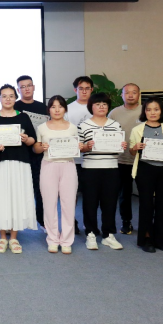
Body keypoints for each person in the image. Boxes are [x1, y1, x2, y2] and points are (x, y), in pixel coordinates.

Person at [0, 85, 38, 254]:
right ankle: (2, 236)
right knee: (0, 198)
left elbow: (33, 140)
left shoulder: (23, 117)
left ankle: (14, 237)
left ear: (15, 98)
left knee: (17, 197)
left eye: (11, 96)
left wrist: (26, 139)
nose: (7, 99)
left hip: (20, 162)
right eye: (4, 96)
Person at [129, 98, 163, 253]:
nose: (152, 113)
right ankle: (146, 239)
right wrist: (135, 147)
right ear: (144, 111)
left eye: (156, 109)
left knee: (162, 205)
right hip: (144, 169)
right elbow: (132, 152)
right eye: (148, 109)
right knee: (146, 204)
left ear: (162, 111)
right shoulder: (137, 129)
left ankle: (162, 240)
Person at [78, 93, 128, 251]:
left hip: (111, 168)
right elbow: (79, 148)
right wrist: (86, 147)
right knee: (90, 203)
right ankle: (91, 233)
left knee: (110, 203)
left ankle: (108, 235)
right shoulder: (83, 125)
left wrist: (122, 146)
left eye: (104, 104)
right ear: (91, 106)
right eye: (97, 104)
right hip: (90, 169)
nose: (101, 107)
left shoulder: (115, 125)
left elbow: (118, 149)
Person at [33, 95, 80, 254]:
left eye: (60, 106)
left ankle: (66, 240)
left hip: (68, 165)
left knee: (68, 204)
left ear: (65, 109)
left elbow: (76, 147)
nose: (57, 110)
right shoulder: (42, 128)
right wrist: (42, 147)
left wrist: (78, 146)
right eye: (53, 107)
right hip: (49, 165)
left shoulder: (72, 128)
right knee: (49, 204)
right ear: (49, 109)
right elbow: (36, 148)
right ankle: (52, 239)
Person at [14, 75, 49, 232]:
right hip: (19, 152)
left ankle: (42, 221)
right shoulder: (14, 106)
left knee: (40, 189)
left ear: (34, 87)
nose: (26, 89)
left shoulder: (43, 108)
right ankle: (15, 223)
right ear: (18, 90)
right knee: (17, 189)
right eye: (23, 86)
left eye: (29, 85)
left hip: (39, 153)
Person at [108, 84, 142, 235]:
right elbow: (107, 133)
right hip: (122, 160)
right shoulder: (114, 113)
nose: (130, 95)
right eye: (127, 92)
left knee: (145, 194)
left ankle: (146, 224)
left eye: (134, 92)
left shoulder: (146, 111)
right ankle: (126, 222)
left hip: (143, 160)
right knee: (124, 194)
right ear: (122, 95)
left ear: (139, 94)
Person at [66, 76, 94, 235]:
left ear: (92, 90)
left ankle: (89, 224)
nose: (84, 91)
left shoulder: (97, 107)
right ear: (75, 90)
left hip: (93, 158)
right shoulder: (68, 109)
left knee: (90, 194)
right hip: (74, 159)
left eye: (87, 88)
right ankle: (71, 222)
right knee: (72, 194)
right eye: (81, 88)